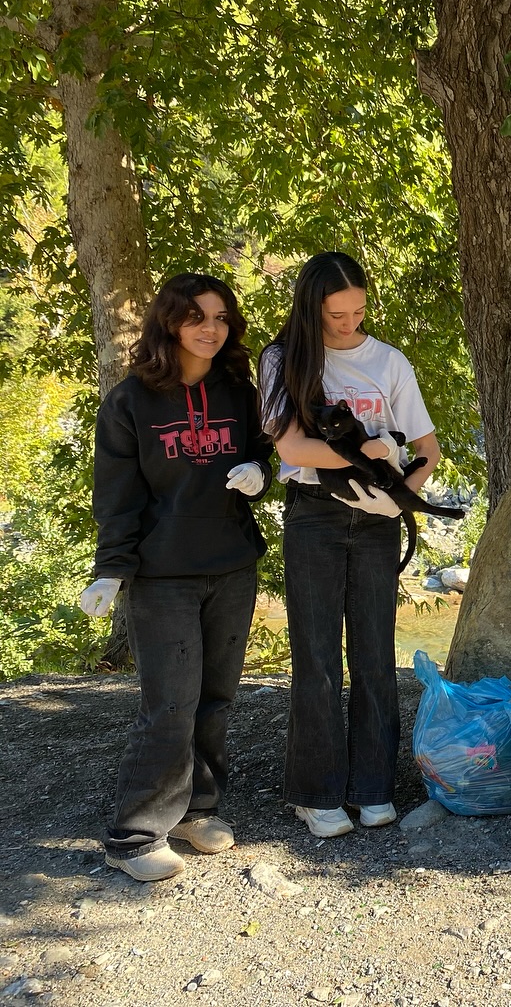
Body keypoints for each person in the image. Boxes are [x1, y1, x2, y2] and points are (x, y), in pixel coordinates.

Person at [81, 273, 273, 882]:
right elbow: (117, 494)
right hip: (162, 575)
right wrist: (111, 568)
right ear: (170, 323)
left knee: (215, 698)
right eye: (197, 318)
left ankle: (197, 808)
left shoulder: (239, 393)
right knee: (169, 703)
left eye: (220, 318)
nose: (210, 329)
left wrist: (259, 470)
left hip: (232, 566)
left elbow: (264, 449)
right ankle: (134, 834)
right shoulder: (130, 402)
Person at [261, 251, 441, 838]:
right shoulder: (283, 358)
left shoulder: (388, 361)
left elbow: (427, 450)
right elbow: (292, 448)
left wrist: (402, 496)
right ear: (311, 308)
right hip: (313, 514)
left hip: (378, 518)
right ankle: (316, 792)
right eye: (336, 315)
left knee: (374, 654)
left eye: (358, 311)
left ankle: (373, 786)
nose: (349, 324)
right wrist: (361, 451)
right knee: (315, 656)